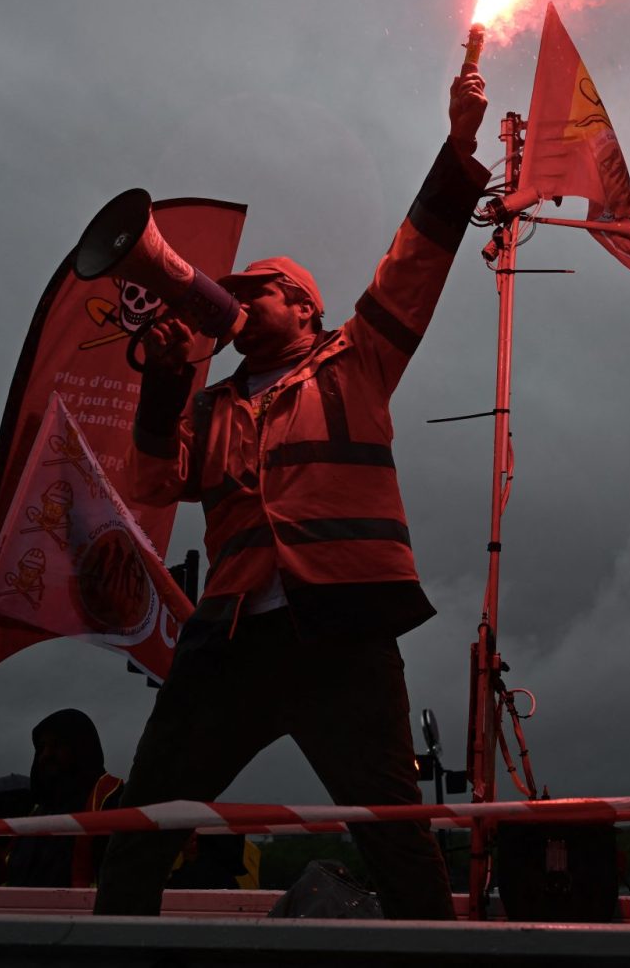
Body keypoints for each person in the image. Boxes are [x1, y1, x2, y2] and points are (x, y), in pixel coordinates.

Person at [93, 67, 488, 920]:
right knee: (140, 827)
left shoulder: (356, 361)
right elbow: (154, 484)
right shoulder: (212, 400)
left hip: (339, 633)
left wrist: (456, 151)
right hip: (229, 642)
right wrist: (161, 390)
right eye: (230, 293)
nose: (231, 302)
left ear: (305, 307)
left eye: (253, 290)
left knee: (394, 832)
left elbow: (413, 265)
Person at [4, 708, 125, 888]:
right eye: (41, 747)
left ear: (81, 748)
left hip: (84, 914)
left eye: (56, 745)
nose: (45, 755)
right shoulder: (37, 813)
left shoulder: (112, 800)